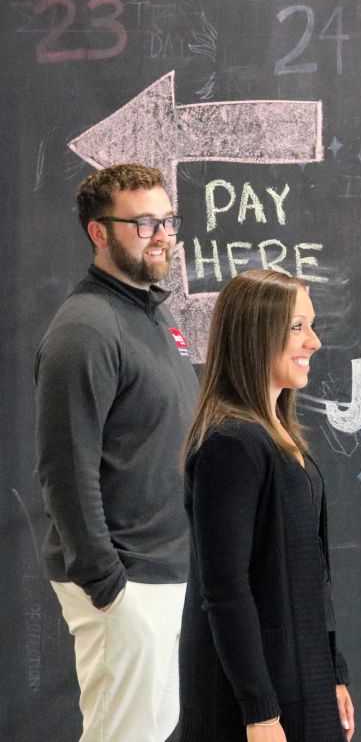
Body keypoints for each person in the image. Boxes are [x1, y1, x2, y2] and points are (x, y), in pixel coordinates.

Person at [35, 163, 197, 741]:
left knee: (149, 729)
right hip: (126, 578)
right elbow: (64, 469)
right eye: (143, 223)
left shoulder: (154, 311)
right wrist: (107, 583)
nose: (162, 235)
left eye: (167, 220)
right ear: (99, 233)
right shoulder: (86, 329)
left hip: (165, 570)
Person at [176, 269, 354, 741]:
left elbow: (313, 574)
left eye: (311, 326)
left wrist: (332, 672)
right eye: (297, 326)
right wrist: (260, 712)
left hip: (301, 680)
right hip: (255, 698)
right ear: (255, 335)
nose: (313, 342)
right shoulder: (231, 446)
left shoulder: (282, 441)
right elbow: (225, 590)